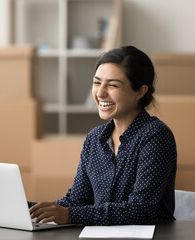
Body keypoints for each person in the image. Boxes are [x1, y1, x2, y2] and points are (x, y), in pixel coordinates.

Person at [29, 46, 177, 225]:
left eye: (113, 85)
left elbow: (140, 210)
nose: (100, 93)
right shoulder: (95, 139)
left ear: (140, 91)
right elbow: (76, 201)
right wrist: (27, 209)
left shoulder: (156, 136)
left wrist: (70, 215)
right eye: (97, 82)